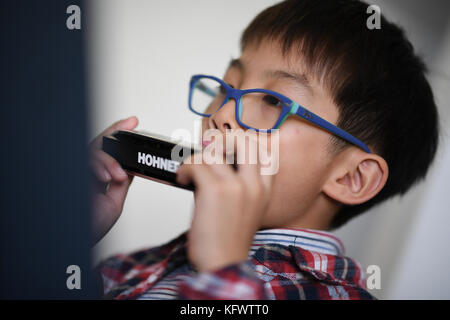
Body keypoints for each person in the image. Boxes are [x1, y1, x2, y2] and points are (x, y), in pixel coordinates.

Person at [90, 0, 439, 299]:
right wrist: (67, 230)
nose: (223, 113)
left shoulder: (332, 294)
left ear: (351, 177)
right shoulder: (131, 268)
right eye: (228, 87)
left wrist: (222, 266)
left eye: (273, 100)